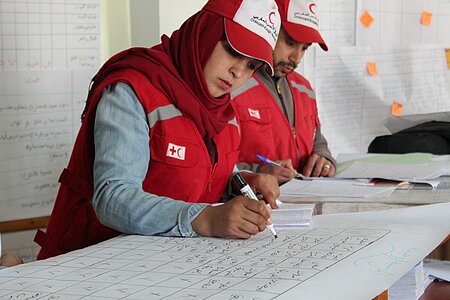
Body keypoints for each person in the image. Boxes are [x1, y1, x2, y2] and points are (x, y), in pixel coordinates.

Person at [35, 0, 282, 260]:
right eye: (232, 51)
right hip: (93, 268)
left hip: (174, 267)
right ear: (204, 34)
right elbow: (112, 198)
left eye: (251, 66)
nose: (237, 72)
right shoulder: (133, 91)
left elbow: (198, 167)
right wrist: (206, 218)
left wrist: (236, 183)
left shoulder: (222, 111)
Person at [231, 0, 336, 184]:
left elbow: (317, 142)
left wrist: (324, 159)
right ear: (268, 30)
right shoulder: (233, 84)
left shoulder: (304, 88)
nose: (296, 58)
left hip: (301, 200)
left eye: (304, 48)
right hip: (251, 204)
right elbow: (212, 163)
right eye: (290, 43)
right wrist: (258, 172)